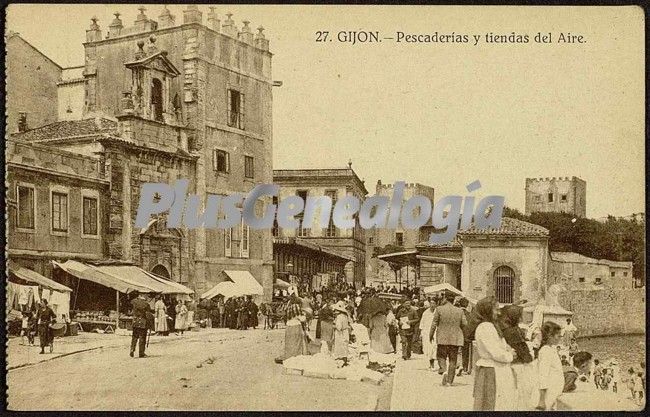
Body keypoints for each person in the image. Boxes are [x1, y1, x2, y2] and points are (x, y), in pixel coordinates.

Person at [471, 297, 514, 411]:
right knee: (490, 404)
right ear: (487, 310)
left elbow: (502, 347)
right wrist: (510, 356)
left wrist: (508, 349)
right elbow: (496, 352)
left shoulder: (491, 327)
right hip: (491, 371)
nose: (498, 312)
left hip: (495, 369)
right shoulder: (485, 328)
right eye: (496, 309)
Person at [499, 304, 534, 409]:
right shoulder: (512, 331)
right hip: (518, 365)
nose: (521, 318)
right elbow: (521, 349)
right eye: (519, 316)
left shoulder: (509, 328)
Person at [430, 292, 467, 386]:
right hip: (455, 339)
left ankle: (444, 370)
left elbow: (434, 324)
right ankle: (450, 381)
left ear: (445, 299)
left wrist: (430, 335)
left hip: (442, 338)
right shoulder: (460, 311)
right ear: (454, 300)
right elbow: (464, 324)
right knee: (453, 359)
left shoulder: (439, 309)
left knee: (441, 356)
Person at [536, 321, 564, 410]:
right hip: (548, 394)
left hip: (554, 393)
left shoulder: (552, 349)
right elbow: (543, 375)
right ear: (549, 336)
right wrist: (542, 399)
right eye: (558, 335)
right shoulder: (545, 351)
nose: (560, 337)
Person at [130, 291, 151, 358]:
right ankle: (141, 353)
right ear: (143, 295)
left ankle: (132, 349)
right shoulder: (146, 304)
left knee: (134, 337)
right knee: (142, 337)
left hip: (135, 321)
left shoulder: (133, 302)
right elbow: (148, 315)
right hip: (143, 322)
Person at [419, 300, 437, 370]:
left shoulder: (437, 312)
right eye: (431, 303)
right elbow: (422, 324)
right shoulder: (425, 313)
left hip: (435, 332)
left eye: (434, 303)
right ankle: (431, 363)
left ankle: (433, 364)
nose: (432, 305)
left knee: (434, 348)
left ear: (436, 304)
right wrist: (421, 333)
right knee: (428, 349)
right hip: (426, 333)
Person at [332, 301, 351, 365]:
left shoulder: (339, 317)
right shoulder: (345, 316)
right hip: (345, 332)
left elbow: (339, 327)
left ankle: (340, 361)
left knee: (340, 346)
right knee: (345, 346)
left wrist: (334, 326)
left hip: (340, 333)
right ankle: (344, 360)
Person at [457, 298, 473, 376]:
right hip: (466, 336)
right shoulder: (469, 314)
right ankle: (465, 367)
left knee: (456, 351)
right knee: (465, 352)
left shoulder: (456, 312)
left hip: (457, 335)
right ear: (467, 305)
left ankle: (458, 365)